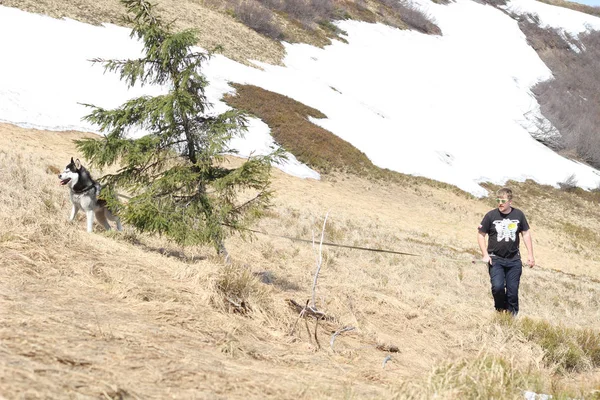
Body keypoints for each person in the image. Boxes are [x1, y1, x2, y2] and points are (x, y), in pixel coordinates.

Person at [477, 187, 535, 316]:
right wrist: (485, 255)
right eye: (498, 200)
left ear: (510, 201)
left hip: (514, 260)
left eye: (503, 200)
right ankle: (500, 311)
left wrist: (530, 255)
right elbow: (481, 235)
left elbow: (525, 234)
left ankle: (512, 317)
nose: (500, 203)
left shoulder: (519, 215)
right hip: (495, 259)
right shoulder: (490, 215)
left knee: (512, 291)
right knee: (497, 288)